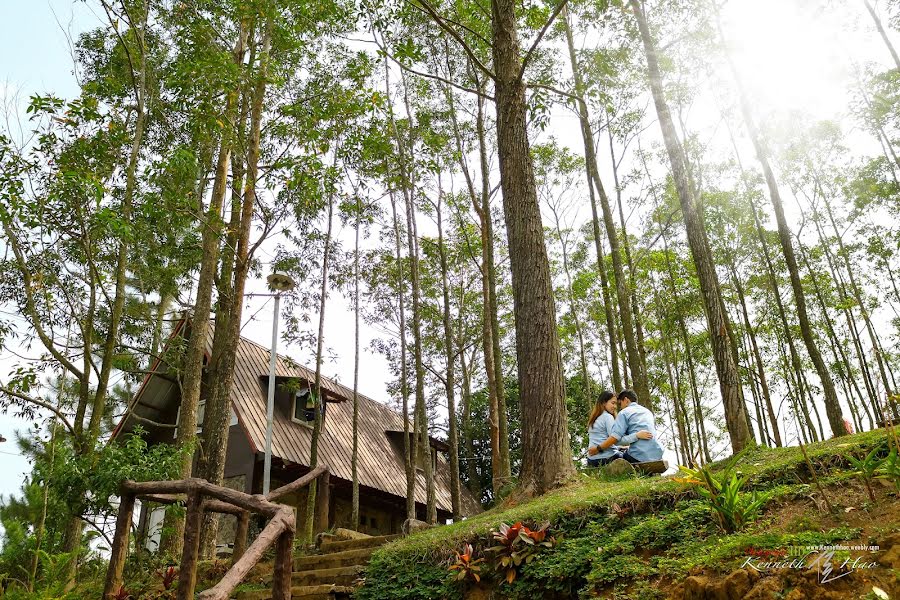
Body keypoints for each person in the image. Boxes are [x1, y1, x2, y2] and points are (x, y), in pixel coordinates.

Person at [593, 389, 662, 464]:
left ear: (626, 400)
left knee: (616, 457)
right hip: (657, 455)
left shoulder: (624, 413)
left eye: (620, 404)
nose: (619, 407)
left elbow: (616, 440)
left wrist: (636, 436)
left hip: (638, 457)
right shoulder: (647, 412)